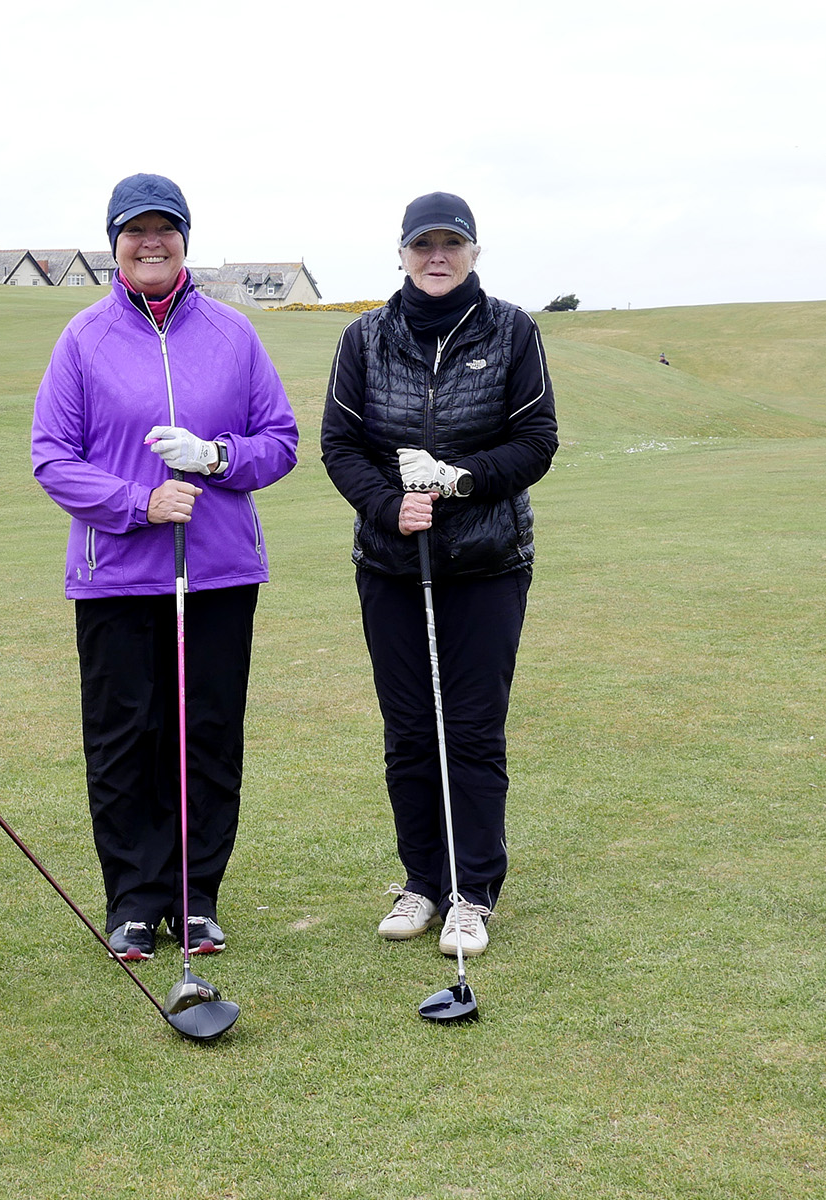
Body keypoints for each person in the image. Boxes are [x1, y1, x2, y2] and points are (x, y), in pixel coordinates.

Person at [30, 174, 299, 961]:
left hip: (217, 573)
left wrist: (218, 457)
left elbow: (278, 440)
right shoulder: (84, 338)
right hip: (116, 573)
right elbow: (52, 457)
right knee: (125, 740)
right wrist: (138, 504)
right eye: (135, 230)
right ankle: (134, 901)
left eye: (166, 229)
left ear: (185, 237)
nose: (152, 243)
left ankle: (197, 895)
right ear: (114, 242)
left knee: (207, 734)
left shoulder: (232, 335)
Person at [320, 191, 558, 961]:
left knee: (473, 730)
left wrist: (458, 480)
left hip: (488, 563)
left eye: (451, 244)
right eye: (423, 245)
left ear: (474, 254)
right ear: (401, 253)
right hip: (392, 564)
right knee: (411, 731)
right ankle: (423, 879)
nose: (437, 256)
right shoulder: (365, 337)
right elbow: (340, 444)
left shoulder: (512, 329)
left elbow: (536, 440)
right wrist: (391, 506)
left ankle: (472, 892)